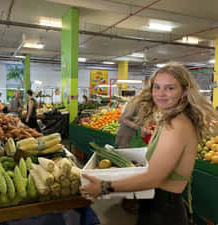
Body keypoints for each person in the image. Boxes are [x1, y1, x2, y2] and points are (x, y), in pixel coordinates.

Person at [81, 62, 218, 225]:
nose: (161, 93)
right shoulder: (169, 119)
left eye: (170, 88)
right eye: (157, 87)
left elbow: (153, 178)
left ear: (185, 91)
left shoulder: (177, 124)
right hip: (158, 205)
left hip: (164, 212)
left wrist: (104, 186)